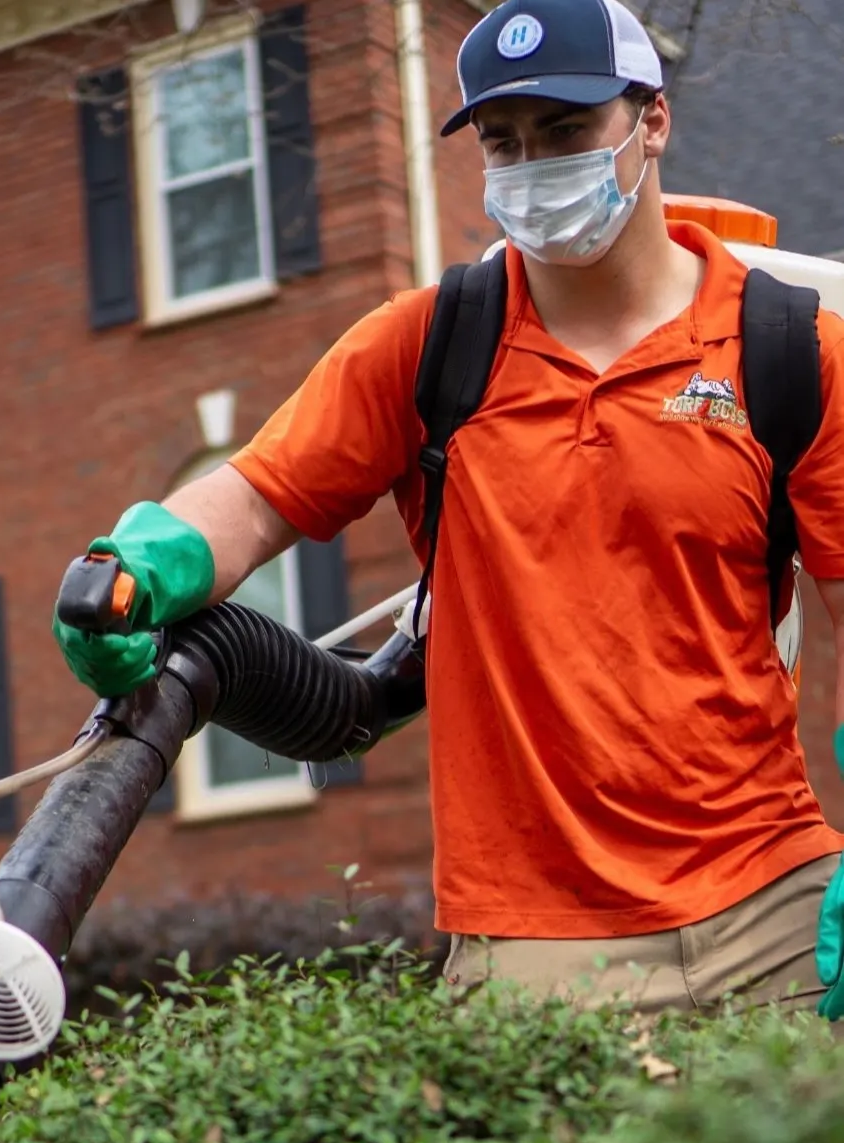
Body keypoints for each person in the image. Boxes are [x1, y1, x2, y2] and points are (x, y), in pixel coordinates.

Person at [55, 0, 844, 1018]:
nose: (532, 167)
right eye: (502, 143)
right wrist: (138, 568)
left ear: (652, 121)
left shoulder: (789, 351)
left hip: (773, 911)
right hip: (537, 946)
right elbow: (254, 498)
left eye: (565, 132)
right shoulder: (433, 347)